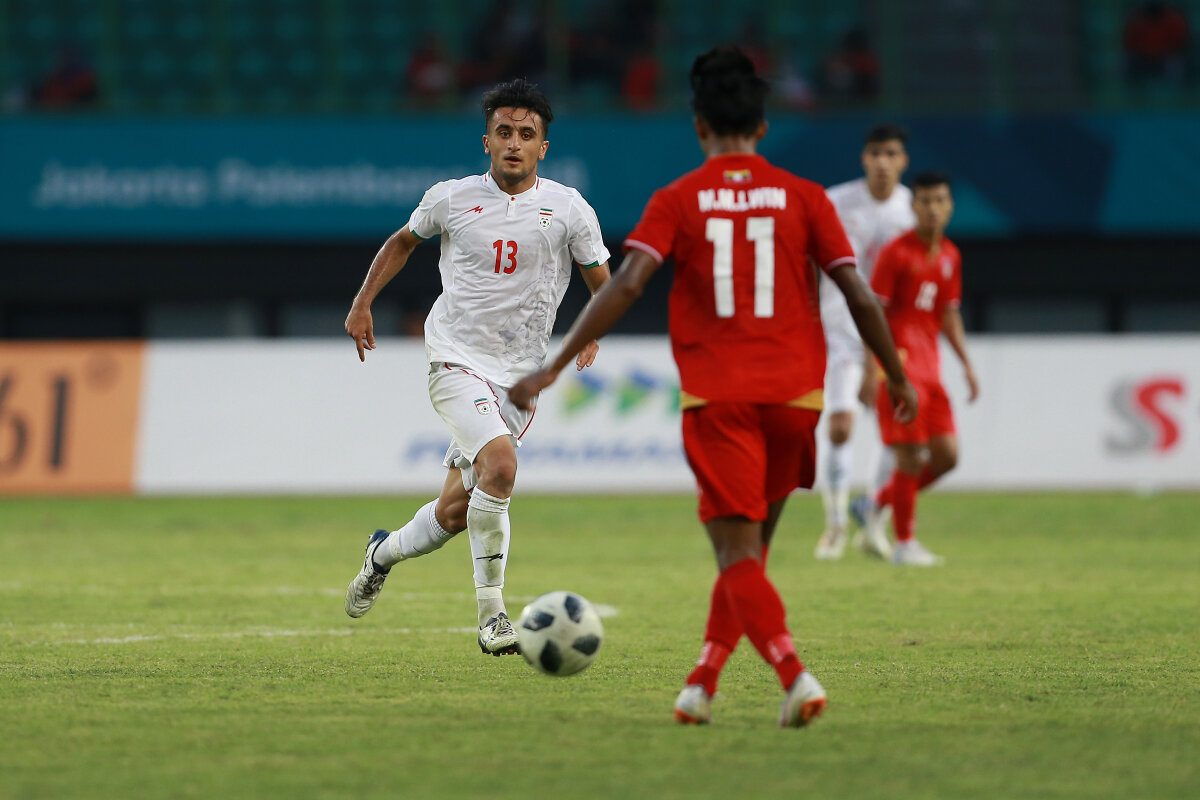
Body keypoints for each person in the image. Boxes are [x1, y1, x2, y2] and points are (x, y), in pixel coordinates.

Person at [508, 47, 915, 727]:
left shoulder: (680, 198)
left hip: (721, 399)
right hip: (796, 400)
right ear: (762, 127)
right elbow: (859, 293)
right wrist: (895, 375)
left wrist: (553, 367)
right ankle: (701, 682)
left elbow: (627, 284)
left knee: (736, 557)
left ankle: (795, 676)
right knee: (751, 559)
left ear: (699, 126)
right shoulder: (806, 196)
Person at [342, 78, 612, 655]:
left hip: (521, 375)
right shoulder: (451, 198)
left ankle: (380, 554)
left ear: (543, 146)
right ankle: (493, 618)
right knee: (502, 467)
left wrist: (593, 330)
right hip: (455, 357)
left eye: (526, 134)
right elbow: (402, 242)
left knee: (455, 511)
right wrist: (363, 302)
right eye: (503, 132)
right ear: (486, 141)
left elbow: (601, 282)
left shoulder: (569, 208)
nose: (514, 143)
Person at [859, 171, 979, 567]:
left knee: (947, 456)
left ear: (950, 207)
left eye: (939, 200)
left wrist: (966, 364)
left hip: (932, 369)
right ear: (912, 207)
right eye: (924, 201)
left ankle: (876, 503)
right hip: (899, 369)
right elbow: (873, 313)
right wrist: (870, 369)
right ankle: (904, 544)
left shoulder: (950, 256)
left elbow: (948, 314)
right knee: (909, 457)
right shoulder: (895, 253)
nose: (932, 208)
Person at [813, 124, 915, 562]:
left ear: (903, 160)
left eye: (890, 154)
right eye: (875, 153)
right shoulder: (835, 202)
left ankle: (873, 518)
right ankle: (835, 524)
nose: (882, 162)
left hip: (891, 337)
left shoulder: (911, 210)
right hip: (840, 331)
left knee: (897, 432)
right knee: (840, 426)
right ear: (864, 158)